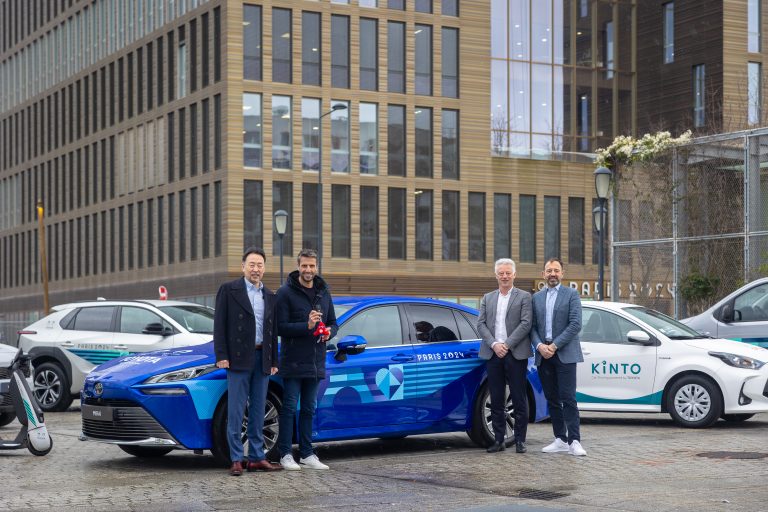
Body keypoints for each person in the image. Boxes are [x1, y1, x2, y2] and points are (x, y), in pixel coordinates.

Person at [213, 247, 282, 476]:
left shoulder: (270, 295)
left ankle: (256, 457)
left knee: (258, 411)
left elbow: (272, 331)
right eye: (251, 264)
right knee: (236, 410)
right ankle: (235, 459)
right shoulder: (229, 290)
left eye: (260, 265)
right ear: (243, 267)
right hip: (237, 359)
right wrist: (221, 356)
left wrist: (273, 360)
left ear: (264, 268)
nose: (256, 269)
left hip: (262, 357)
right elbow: (219, 326)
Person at [275, 249, 338, 470]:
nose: (308, 270)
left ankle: (306, 453)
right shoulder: (285, 293)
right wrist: (307, 326)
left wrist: (329, 331)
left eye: (312, 266)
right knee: (289, 407)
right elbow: (280, 327)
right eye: (304, 266)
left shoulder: (324, 292)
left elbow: (333, 322)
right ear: (298, 266)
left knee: (310, 408)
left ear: (316, 267)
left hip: (316, 360)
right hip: (293, 360)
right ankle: (284, 454)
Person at [530, 257, 586, 456]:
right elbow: (532, 327)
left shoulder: (571, 294)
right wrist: (539, 346)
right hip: (543, 355)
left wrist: (553, 345)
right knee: (552, 399)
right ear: (543, 274)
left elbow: (575, 324)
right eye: (549, 270)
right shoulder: (536, 298)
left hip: (564, 354)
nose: (552, 274)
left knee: (568, 398)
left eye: (556, 270)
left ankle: (575, 441)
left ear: (562, 273)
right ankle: (560, 439)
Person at [477, 258, 532, 454]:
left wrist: (506, 345)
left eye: (508, 273)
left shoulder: (524, 297)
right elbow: (480, 324)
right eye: (501, 273)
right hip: (493, 353)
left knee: (518, 398)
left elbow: (526, 324)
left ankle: (519, 441)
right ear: (496, 275)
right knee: (497, 399)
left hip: (515, 354)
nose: (505, 276)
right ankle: (498, 440)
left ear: (514, 275)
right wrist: (494, 344)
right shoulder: (487, 298)